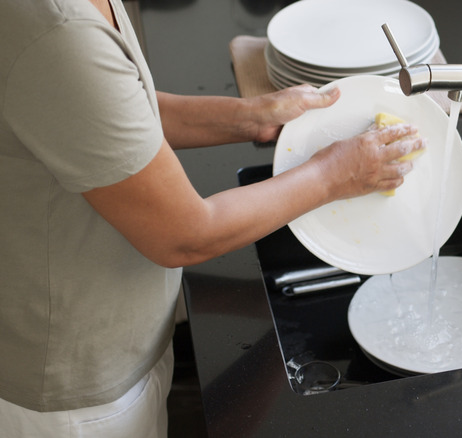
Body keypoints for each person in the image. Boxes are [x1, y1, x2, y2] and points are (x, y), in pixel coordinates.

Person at [0, 0, 425, 436]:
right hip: (73, 391)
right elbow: (184, 235)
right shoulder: (53, 29)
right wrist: (335, 174)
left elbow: (116, 112)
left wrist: (252, 116)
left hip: (114, 343)